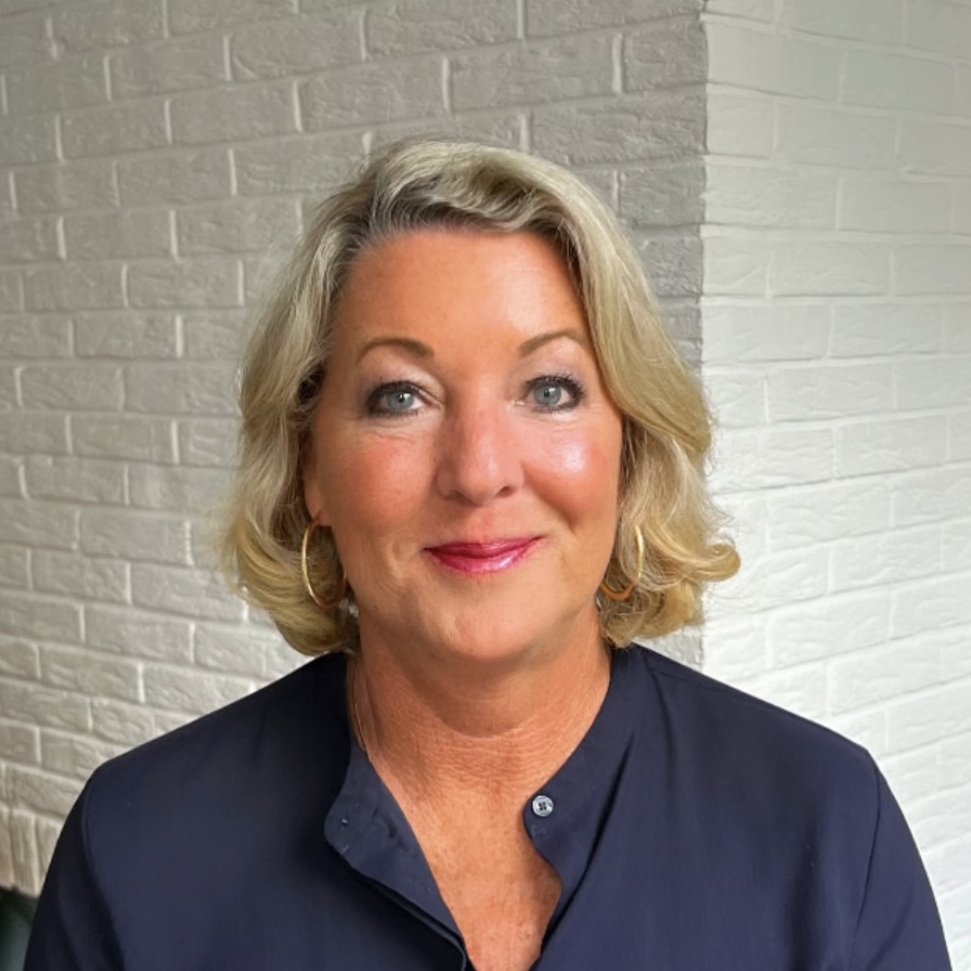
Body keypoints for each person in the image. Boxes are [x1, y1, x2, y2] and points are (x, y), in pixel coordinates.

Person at [25, 139, 950, 971]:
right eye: (401, 396)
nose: (477, 472)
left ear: (628, 448)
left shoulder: (830, 827)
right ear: (311, 466)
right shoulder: (135, 849)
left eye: (548, 389)